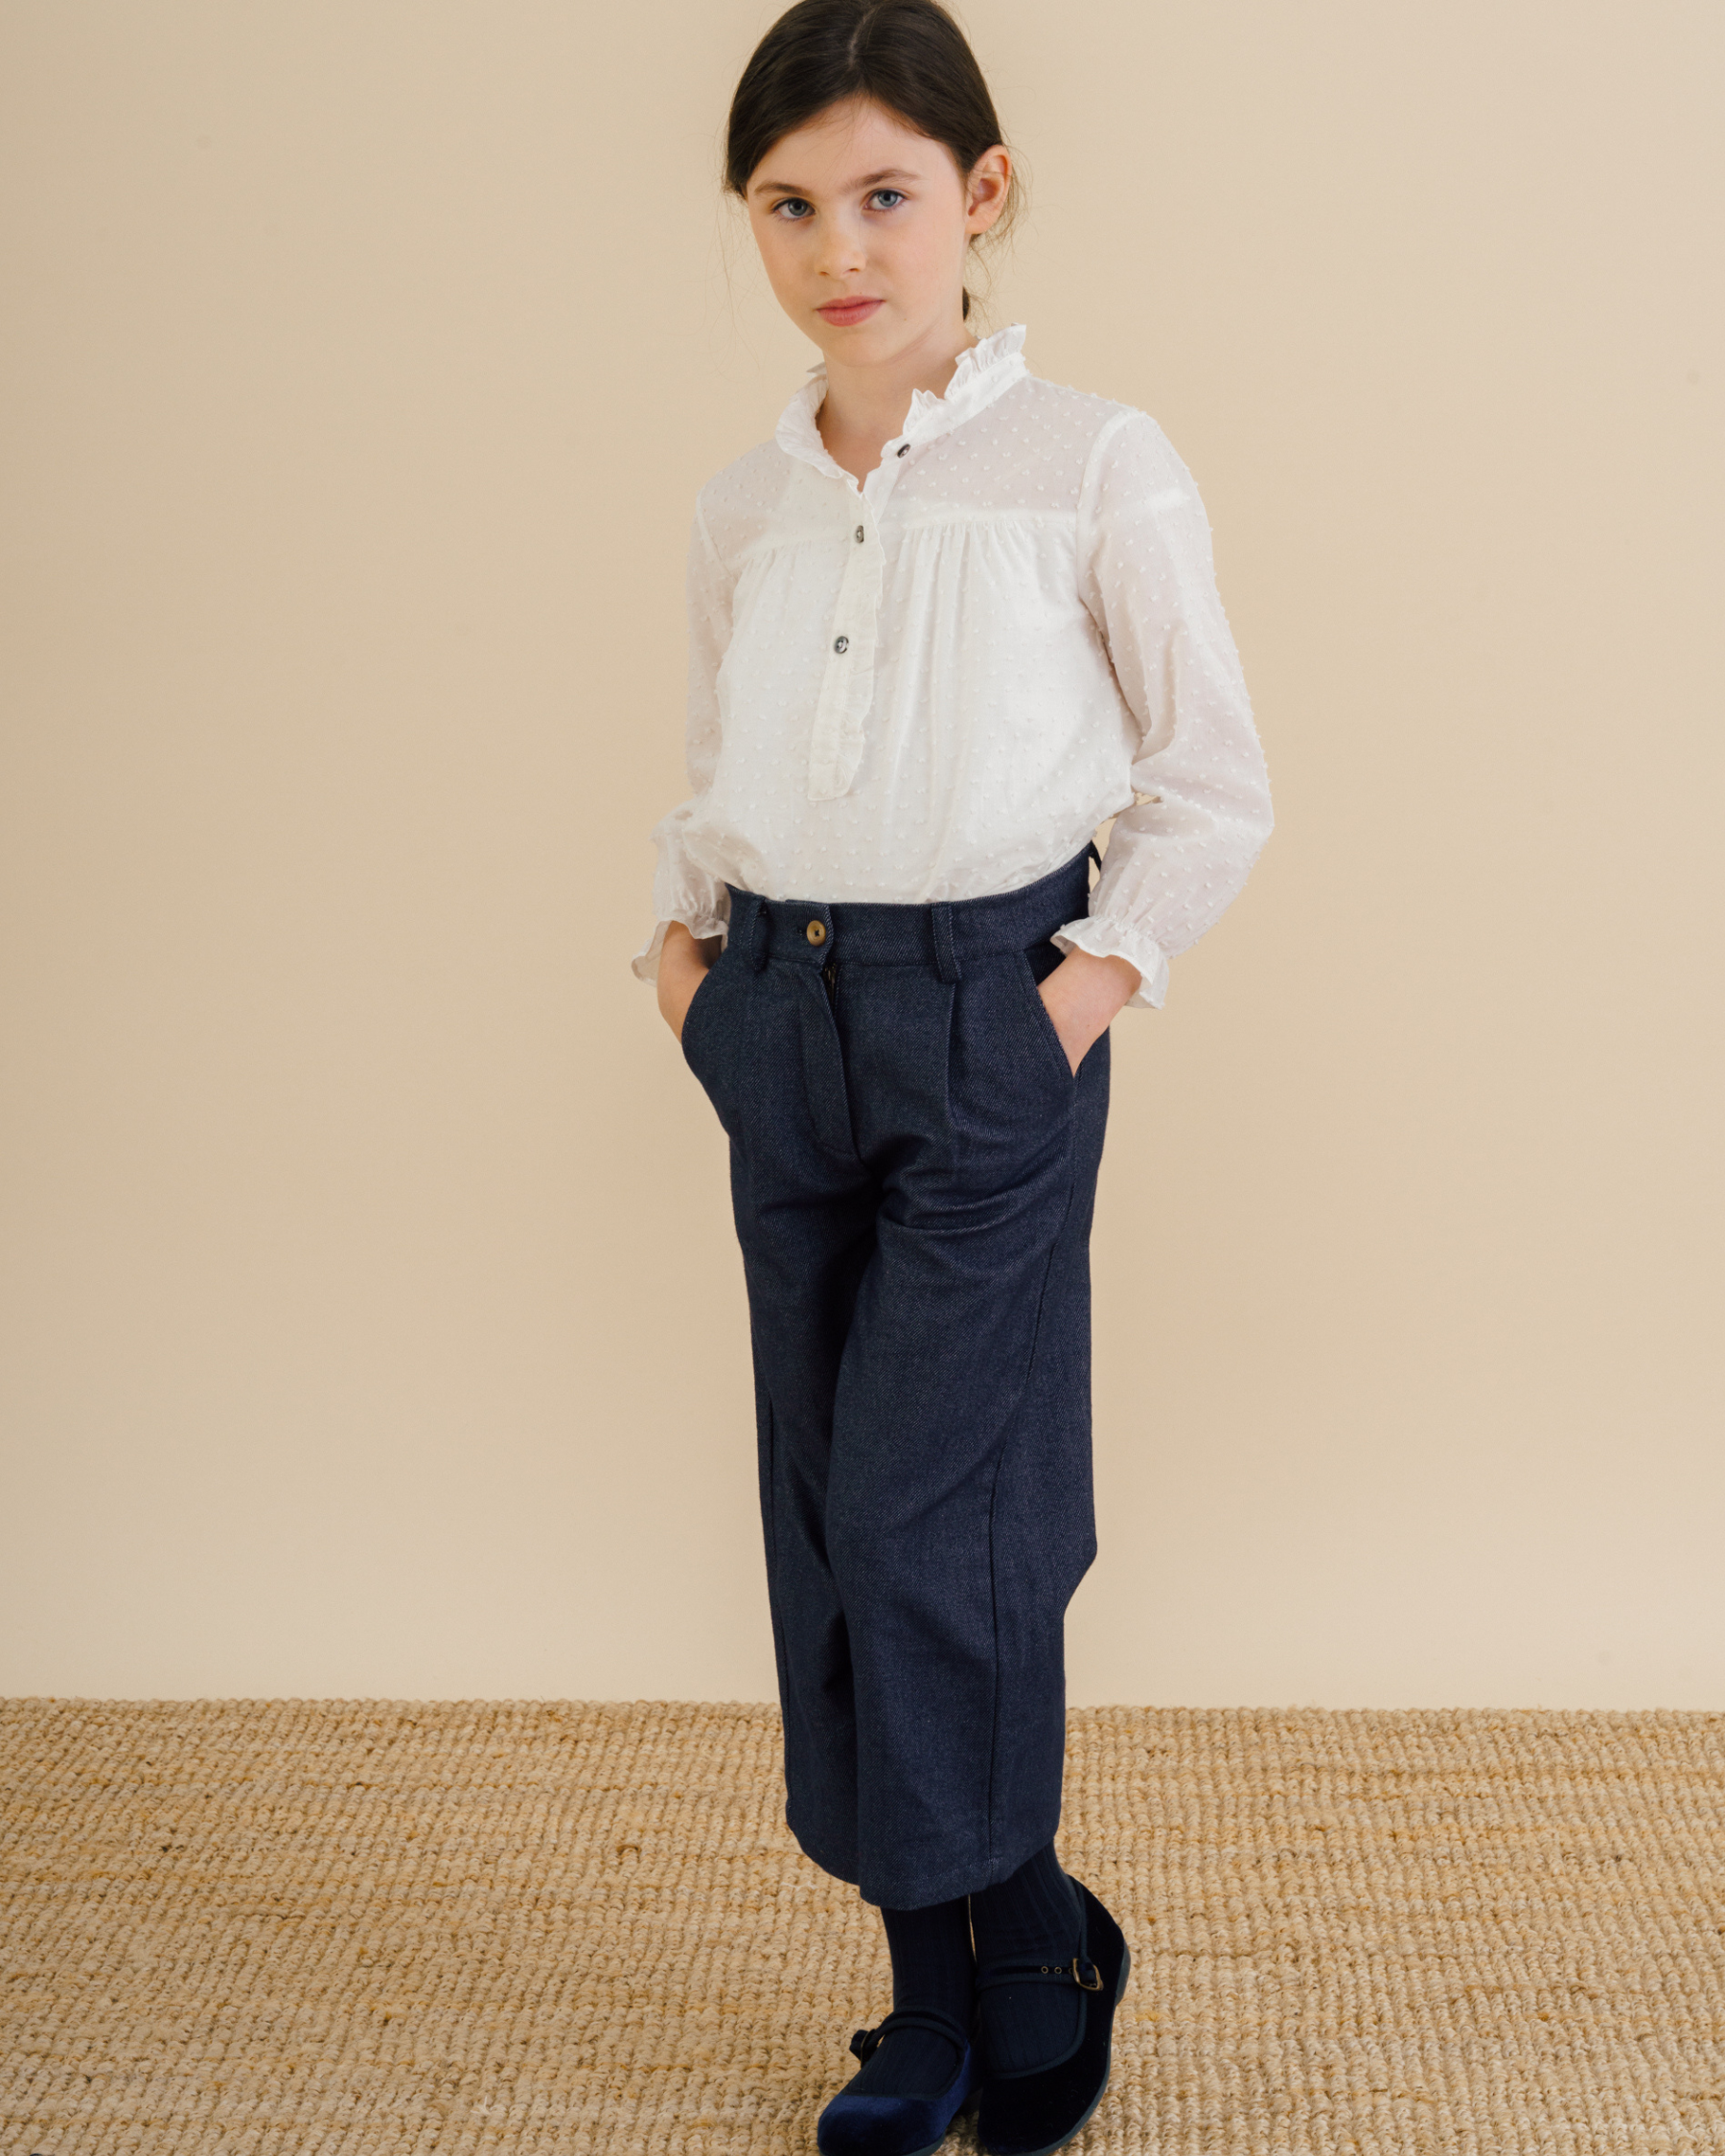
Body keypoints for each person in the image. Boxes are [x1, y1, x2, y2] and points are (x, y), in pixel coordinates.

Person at [632, 4, 1273, 2148]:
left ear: (980, 200)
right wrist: (686, 967)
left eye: (886, 193)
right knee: (826, 1514)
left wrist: (1067, 1003)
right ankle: (945, 1978)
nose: (841, 245)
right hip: (781, 1026)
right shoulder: (744, 505)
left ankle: (1018, 1937)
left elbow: (1208, 788)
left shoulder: (1094, 461)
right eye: (790, 204)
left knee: (939, 1511)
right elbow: (724, 773)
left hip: (990, 1015)